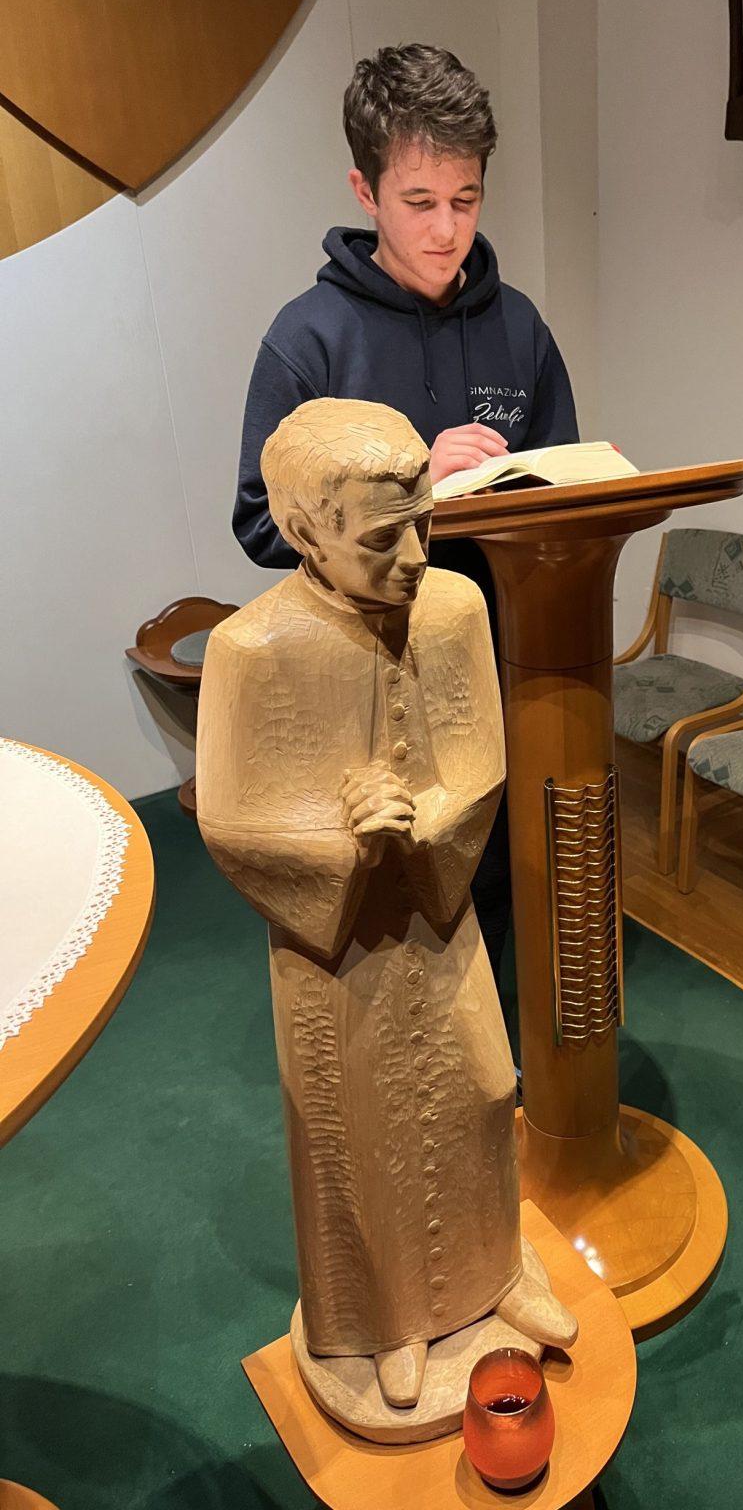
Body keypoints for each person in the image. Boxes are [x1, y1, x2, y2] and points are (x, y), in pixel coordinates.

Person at [199, 400, 575, 1417]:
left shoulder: (454, 609)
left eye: (424, 526)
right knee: (359, 1138)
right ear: (303, 530)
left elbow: (483, 760)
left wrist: (424, 819)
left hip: (439, 920)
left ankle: (499, 1275)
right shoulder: (252, 649)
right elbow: (231, 818)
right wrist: (347, 836)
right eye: (381, 539)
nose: (413, 558)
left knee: (482, 1096)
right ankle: (387, 1322)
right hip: (338, 954)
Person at [233, 43, 579, 973]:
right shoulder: (309, 338)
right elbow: (260, 523)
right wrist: (417, 477)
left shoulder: (519, 326)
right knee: (389, 903)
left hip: (500, 660)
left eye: (466, 200)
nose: (446, 229)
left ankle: (506, 1042)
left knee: (503, 880)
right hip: (368, 681)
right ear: (366, 191)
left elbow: (557, 491)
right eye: (419, 202)